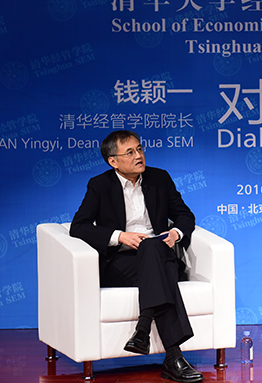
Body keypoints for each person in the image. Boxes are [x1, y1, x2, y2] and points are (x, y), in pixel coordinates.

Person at [70, 130, 203, 383]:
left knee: (153, 248)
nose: (138, 156)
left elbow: (185, 215)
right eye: (129, 152)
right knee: (157, 262)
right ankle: (173, 357)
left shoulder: (160, 178)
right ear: (113, 161)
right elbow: (79, 226)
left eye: (140, 149)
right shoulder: (99, 185)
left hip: (160, 254)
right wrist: (120, 236)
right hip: (122, 263)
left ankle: (143, 330)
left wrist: (175, 233)